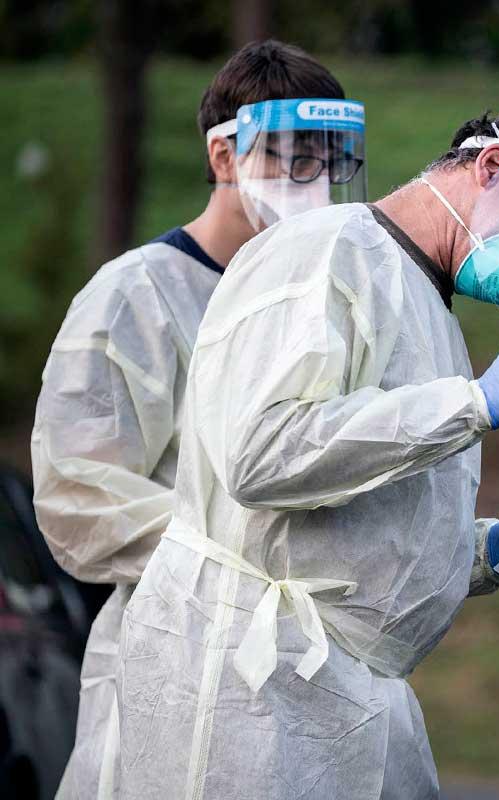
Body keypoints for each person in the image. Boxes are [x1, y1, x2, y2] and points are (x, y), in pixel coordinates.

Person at [117, 106, 499, 799]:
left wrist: (485, 552)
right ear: (495, 167)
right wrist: (469, 405)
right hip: (247, 692)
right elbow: (262, 453)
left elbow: (360, 510)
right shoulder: (327, 251)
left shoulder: (429, 311)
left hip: (333, 701)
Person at [30, 40, 363, 800]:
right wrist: (245, 572)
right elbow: (80, 496)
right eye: (291, 159)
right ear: (224, 156)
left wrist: (478, 549)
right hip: (173, 670)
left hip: (307, 680)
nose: (311, 185)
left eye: (328, 162)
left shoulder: (321, 304)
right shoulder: (137, 296)